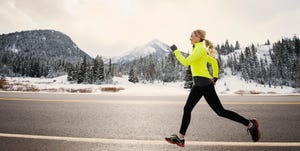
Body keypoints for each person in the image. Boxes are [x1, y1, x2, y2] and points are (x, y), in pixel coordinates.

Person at [165, 29, 261, 147]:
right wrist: (215, 77)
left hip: (205, 86)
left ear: (198, 37)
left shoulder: (199, 49)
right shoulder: (198, 49)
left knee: (221, 112)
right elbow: (214, 62)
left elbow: (185, 62)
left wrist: (175, 51)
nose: (189, 38)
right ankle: (180, 138)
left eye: (191, 36)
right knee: (187, 109)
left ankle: (250, 124)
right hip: (198, 86)